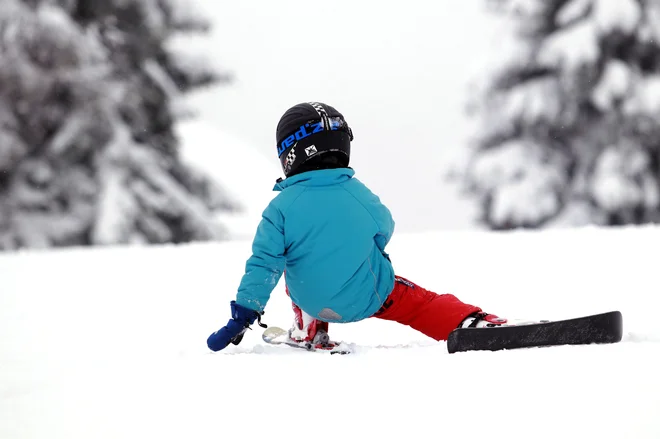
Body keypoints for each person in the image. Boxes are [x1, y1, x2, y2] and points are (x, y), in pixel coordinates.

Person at [207, 102, 506, 352]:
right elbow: (384, 229)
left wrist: (244, 315)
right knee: (420, 304)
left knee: (292, 263)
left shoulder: (280, 209)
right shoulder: (358, 193)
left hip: (310, 297)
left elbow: (264, 264)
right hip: (368, 298)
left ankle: (308, 329)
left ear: (289, 153)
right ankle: (469, 324)